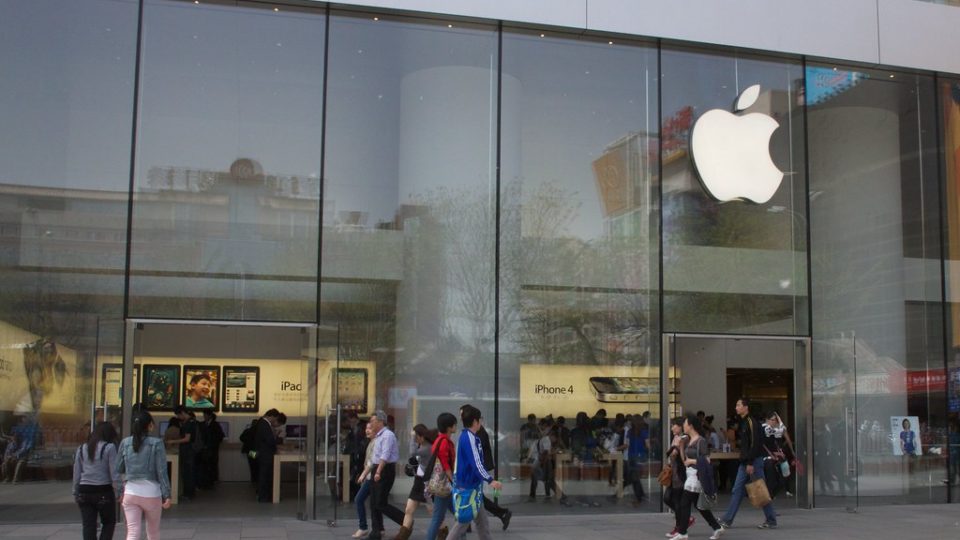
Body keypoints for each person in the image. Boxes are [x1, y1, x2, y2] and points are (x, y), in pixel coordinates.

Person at [445, 405, 503, 540]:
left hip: (472, 488)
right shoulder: (469, 438)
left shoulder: (467, 436)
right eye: (480, 419)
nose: (481, 422)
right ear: (476, 421)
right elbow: (477, 464)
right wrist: (490, 480)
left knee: (482, 523)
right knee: (462, 523)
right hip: (469, 489)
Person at [718, 398, 777, 530]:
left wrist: (750, 462)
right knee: (738, 490)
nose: (736, 407)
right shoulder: (744, 422)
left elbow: (755, 444)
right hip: (746, 461)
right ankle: (727, 519)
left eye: (738, 405)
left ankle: (771, 519)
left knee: (760, 489)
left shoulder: (751, 422)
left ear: (746, 407)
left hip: (753, 461)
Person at [116, 410, 171, 540]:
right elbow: (162, 471)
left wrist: (120, 490)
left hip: (130, 493)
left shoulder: (125, 442)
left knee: (132, 532)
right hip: (151, 493)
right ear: (149, 425)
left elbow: (118, 468)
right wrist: (167, 494)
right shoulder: (156, 443)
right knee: (152, 532)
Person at [670, 414, 724, 540]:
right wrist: (680, 446)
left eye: (685, 424)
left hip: (697, 476)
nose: (683, 425)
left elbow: (706, 461)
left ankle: (682, 532)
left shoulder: (701, 441)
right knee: (700, 506)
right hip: (690, 474)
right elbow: (684, 460)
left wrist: (692, 462)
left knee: (684, 503)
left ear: (691, 426)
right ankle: (717, 527)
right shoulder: (688, 440)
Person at [466, 405, 512, 529]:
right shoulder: (474, 433)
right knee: (476, 496)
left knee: (474, 495)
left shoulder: (480, 433)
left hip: (478, 469)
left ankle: (466, 523)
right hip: (476, 469)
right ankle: (502, 513)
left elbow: (476, 455)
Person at [73, 421, 119, 540]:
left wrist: (75, 491)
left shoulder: (81, 448)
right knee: (109, 522)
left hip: (84, 491)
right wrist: (119, 490)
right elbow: (114, 473)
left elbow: (77, 473)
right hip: (103, 490)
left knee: (88, 525)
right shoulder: (109, 447)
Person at [392, 424, 437, 540]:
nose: (415, 439)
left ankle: (443, 531)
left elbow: (412, 453)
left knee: (431, 510)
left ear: (421, 437)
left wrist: (412, 438)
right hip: (418, 481)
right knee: (409, 509)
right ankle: (402, 536)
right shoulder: (422, 446)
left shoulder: (427, 448)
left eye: (416, 437)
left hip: (427, 483)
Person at [368, 409, 404, 540]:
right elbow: (375, 457)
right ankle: (376, 531)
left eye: (372, 421)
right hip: (377, 468)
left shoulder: (388, 435)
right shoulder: (378, 436)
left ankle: (405, 521)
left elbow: (385, 455)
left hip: (384, 469)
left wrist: (378, 472)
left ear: (380, 421)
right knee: (373, 502)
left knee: (380, 502)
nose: (370, 424)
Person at [425, 412, 457, 540]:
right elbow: (445, 464)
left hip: (443, 486)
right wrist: (453, 480)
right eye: (454, 424)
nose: (456, 426)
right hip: (444, 485)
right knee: (438, 518)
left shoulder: (440, 440)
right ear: (449, 427)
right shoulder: (444, 442)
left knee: (460, 516)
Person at [353, 422, 377, 539]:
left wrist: (363, 475)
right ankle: (378, 528)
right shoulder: (370, 442)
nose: (367, 430)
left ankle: (363, 527)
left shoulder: (375, 442)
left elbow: (371, 463)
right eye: (367, 428)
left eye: (370, 428)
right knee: (376, 504)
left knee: (359, 499)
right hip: (369, 477)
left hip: (371, 477)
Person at [254, 408, 281, 502]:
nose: (275, 421)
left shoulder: (262, 423)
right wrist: (275, 437)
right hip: (265, 454)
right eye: (275, 418)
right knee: (264, 476)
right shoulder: (264, 425)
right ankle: (263, 496)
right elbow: (269, 440)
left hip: (263, 454)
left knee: (264, 475)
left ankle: (264, 495)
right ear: (272, 416)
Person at [173, 405, 198, 500]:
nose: (178, 418)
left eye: (178, 415)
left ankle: (188, 494)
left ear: (182, 413)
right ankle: (189, 493)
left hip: (188, 451)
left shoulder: (188, 423)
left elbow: (187, 439)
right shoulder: (193, 421)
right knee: (189, 472)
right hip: (190, 450)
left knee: (187, 472)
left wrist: (173, 441)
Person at [625, 414, 649, 504]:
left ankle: (639, 495)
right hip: (640, 456)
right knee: (635, 477)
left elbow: (627, 445)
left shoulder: (630, 432)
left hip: (631, 456)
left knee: (634, 477)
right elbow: (647, 445)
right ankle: (640, 495)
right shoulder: (644, 432)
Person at [198, 410, 225, 488]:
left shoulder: (215, 425)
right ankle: (205, 482)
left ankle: (210, 482)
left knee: (211, 465)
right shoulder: (202, 424)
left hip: (212, 449)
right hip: (204, 449)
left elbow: (220, 436)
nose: (204, 417)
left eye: (205, 415)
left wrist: (212, 444)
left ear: (210, 416)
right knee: (204, 466)